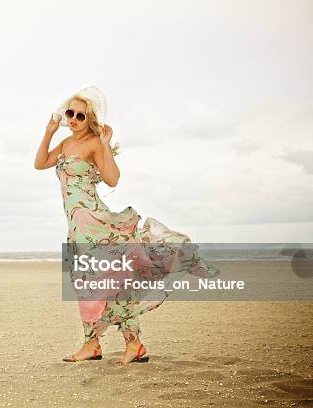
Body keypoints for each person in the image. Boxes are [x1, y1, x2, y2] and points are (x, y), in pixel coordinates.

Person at [34, 85, 220, 365]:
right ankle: (95, 344)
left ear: (91, 119)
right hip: (77, 226)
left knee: (108, 282)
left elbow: (112, 180)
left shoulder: (95, 143)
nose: (72, 119)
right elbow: (40, 163)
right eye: (69, 113)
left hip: (94, 221)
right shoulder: (66, 143)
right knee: (86, 283)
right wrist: (49, 131)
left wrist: (106, 145)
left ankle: (130, 343)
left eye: (80, 116)